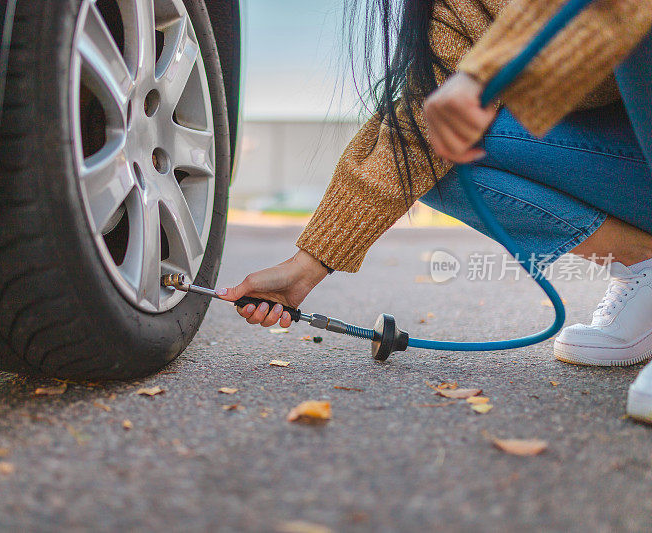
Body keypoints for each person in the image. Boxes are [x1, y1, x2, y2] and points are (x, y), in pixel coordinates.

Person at [218, 0, 652, 421]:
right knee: (439, 142)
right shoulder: (453, 8)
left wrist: (480, 72)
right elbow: (412, 135)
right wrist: (305, 266)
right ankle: (643, 263)